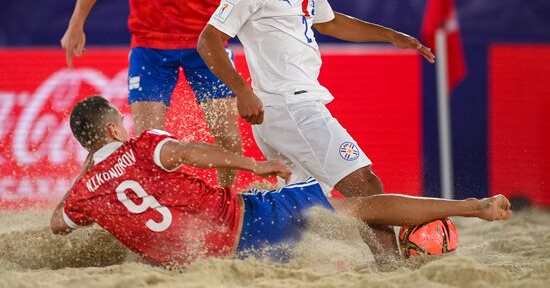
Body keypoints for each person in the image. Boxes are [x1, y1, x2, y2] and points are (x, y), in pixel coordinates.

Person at [196, 0, 436, 262]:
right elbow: (208, 40)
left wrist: (391, 36)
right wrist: (242, 91)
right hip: (291, 107)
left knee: (304, 209)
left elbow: (332, 22)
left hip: (287, 110)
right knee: (365, 185)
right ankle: (392, 268)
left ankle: (238, 255)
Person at [50, 95, 511, 266]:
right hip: (248, 226)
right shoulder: (142, 145)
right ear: (114, 129)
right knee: (356, 208)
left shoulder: (83, 196)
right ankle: (473, 206)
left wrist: (90, 169)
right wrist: (252, 165)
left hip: (205, 261)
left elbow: (56, 223)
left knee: (316, 223)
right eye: (120, 124)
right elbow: (191, 152)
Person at [60, 0, 267, 186]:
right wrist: (76, 21)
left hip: (207, 43)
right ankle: (157, 209)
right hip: (150, 45)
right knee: (150, 145)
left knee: (229, 138)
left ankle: (226, 204)